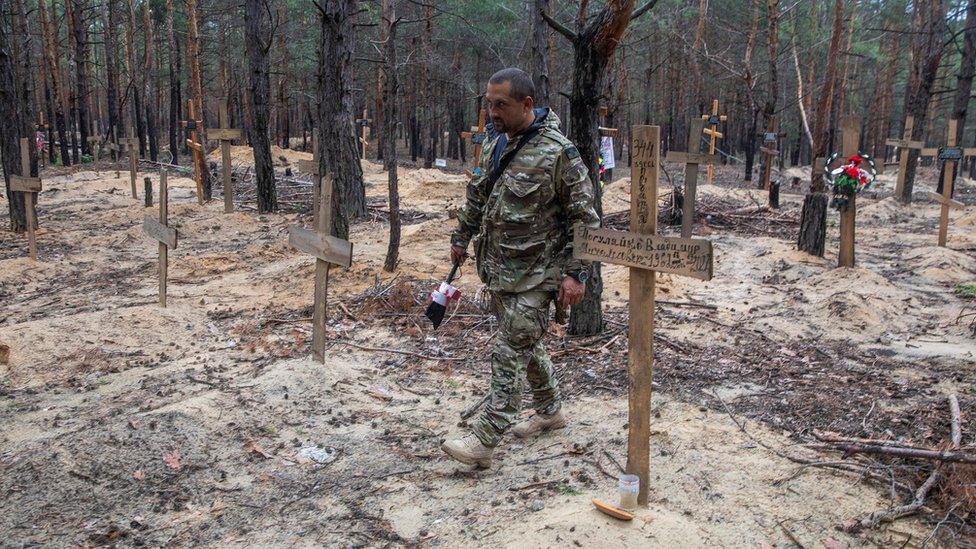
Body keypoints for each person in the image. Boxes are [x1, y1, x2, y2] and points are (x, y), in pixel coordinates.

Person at [441, 67, 600, 468]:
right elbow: (478, 194)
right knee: (526, 344)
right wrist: (462, 238)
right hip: (499, 270)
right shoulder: (496, 144)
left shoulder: (559, 153)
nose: (492, 112)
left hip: (539, 273)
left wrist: (576, 273)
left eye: (501, 105)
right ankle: (550, 411)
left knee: (510, 348)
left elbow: (586, 220)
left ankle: (485, 439)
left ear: (527, 105)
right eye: (488, 103)